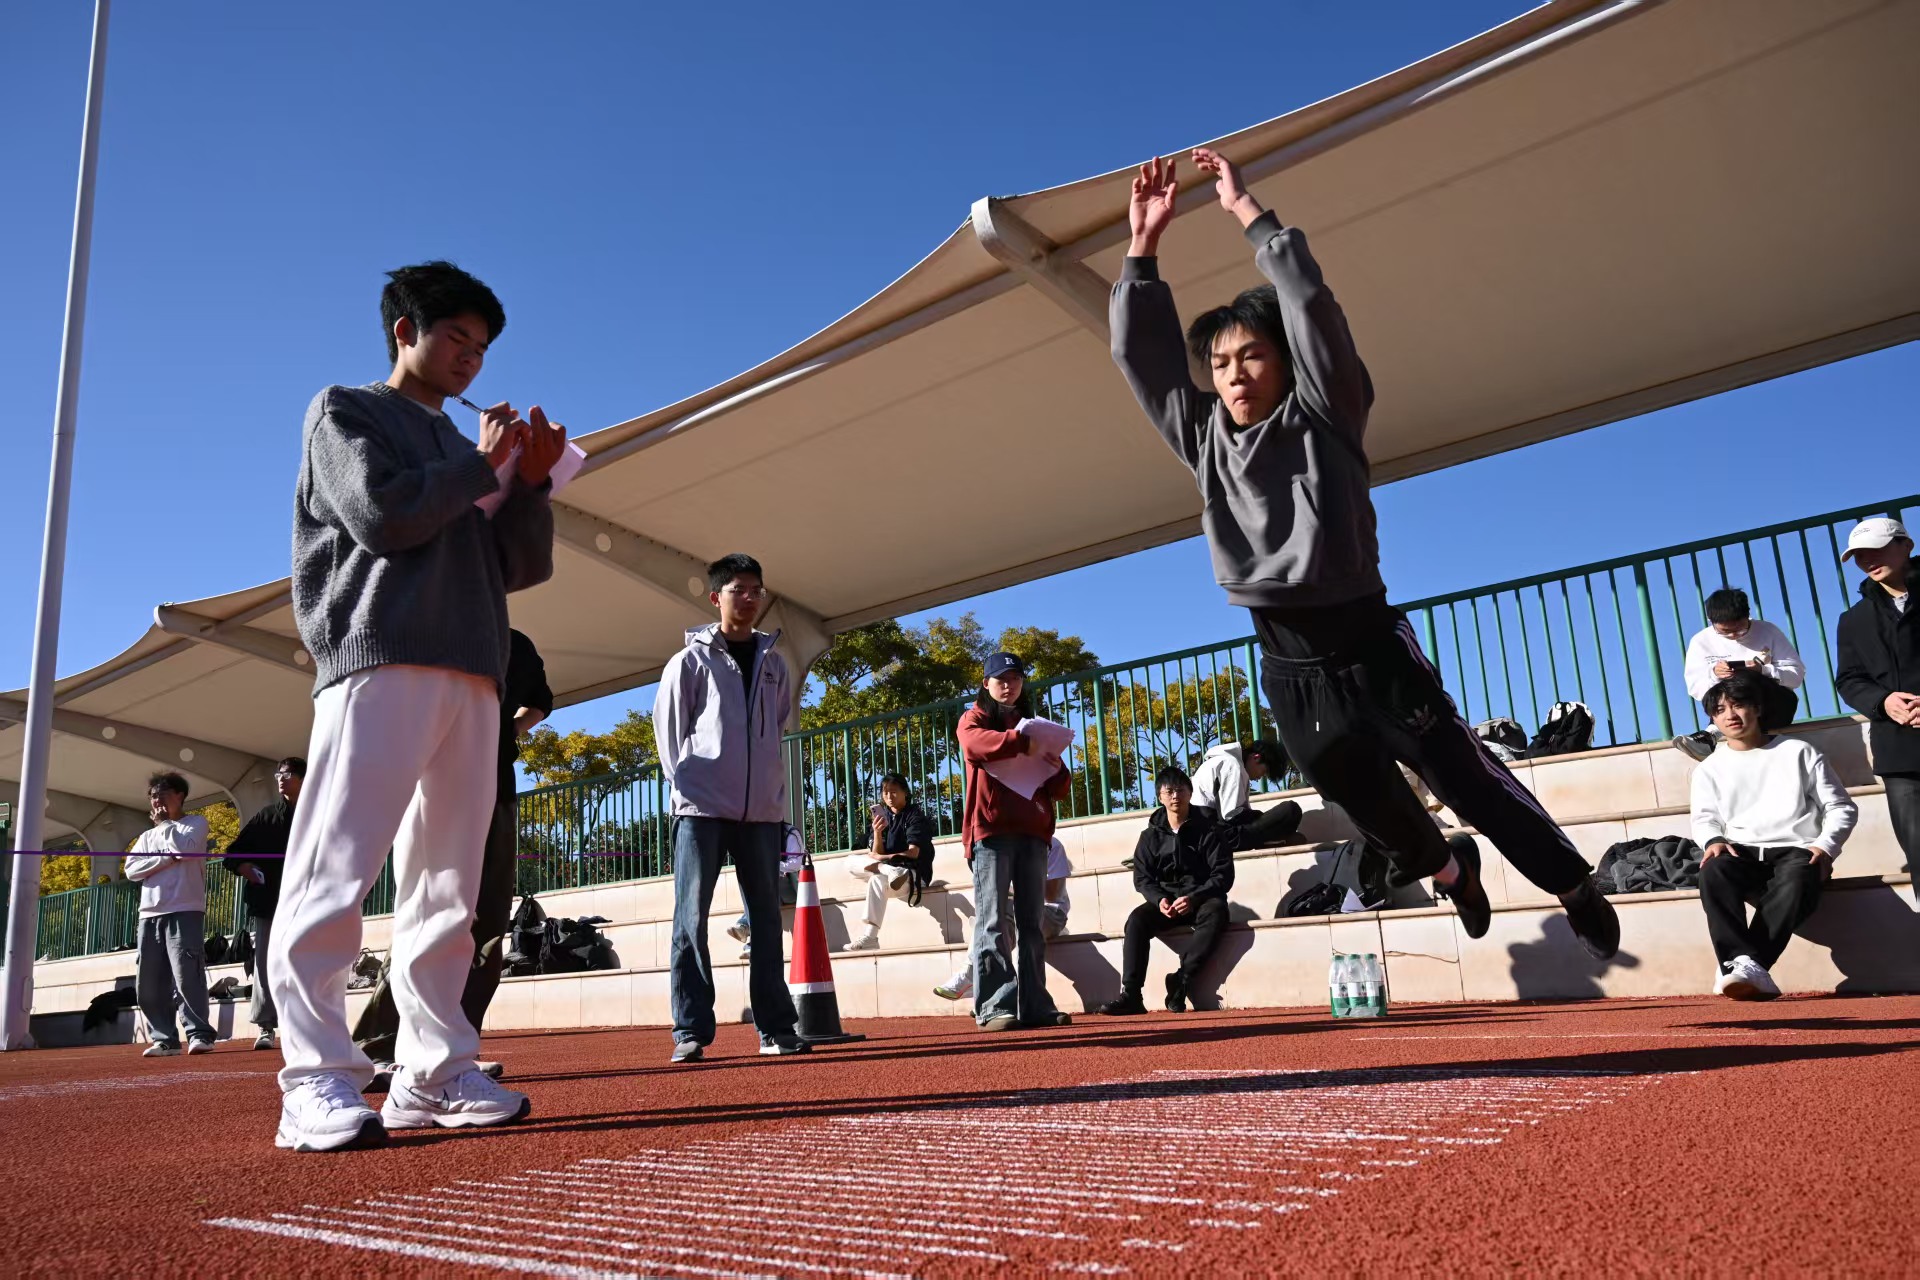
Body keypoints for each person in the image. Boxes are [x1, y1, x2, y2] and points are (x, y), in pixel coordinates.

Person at [1108, 149, 1616, 958]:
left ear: (1285, 362)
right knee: (1359, 796)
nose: (1234, 376)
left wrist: (1248, 215)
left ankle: (1572, 883)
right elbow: (1142, 359)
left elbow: (1313, 309)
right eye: (1220, 364)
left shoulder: (1325, 415)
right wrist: (1142, 248)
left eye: (1251, 356)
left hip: (1370, 642)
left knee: (1465, 778)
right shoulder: (1202, 437)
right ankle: (1449, 870)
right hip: (1289, 664)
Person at [270, 260, 559, 1153]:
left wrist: (531, 481)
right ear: (405, 332)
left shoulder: (471, 448)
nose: (471, 358)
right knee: (335, 869)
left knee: (448, 888)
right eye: (456, 338)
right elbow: (381, 515)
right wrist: (481, 464)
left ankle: (431, 1072)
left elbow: (519, 568)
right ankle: (314, 1077)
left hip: (475, 670)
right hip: (379, 655)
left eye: (482, 347)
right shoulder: (345, 410)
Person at [353, 628, 551, 1081]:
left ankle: (453, 1050)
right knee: (426, 917)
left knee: (489, 926)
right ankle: (376, 1045)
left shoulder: (515, 644)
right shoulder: (425, 632)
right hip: (433, 786)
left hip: (495, 788)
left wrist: (508, 730)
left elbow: (541, 700)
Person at [655, 553, 808, 1062]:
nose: (748, 598)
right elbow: (669, 734)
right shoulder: (689, 662)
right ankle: (690, 1029)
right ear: (715, 597)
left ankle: (776, 1027)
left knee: (765, 918)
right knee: (690, 917)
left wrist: (767, 793)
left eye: (756, 590)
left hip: (760, 813)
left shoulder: (774, 663)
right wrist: (689, 788)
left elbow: (777, 726)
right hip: (700, 810)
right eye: (738, 589)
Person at [1692, 670, 1856, 999]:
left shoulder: (1798, 751)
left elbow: (1840, 807)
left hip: (1797, 850)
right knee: (1713, 871)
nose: (1730, 715)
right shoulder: (1708, 768)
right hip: (1742, 852)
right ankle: (1743, 964)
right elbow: (1705, 818)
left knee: (1799, 876)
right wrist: (1714, 840)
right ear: (1713, 719)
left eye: (1738, 705)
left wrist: (1825, 846)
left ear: (1757, 708)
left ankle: (1740, 964)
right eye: (1720, 710)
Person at [956, 652, 1075, 1029]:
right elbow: (974, 745)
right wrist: (1020, 743)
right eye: (1001, 679)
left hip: (1034, 833)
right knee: (992, 920)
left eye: (1016, 678)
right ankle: (994, 1006)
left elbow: (1060, 786)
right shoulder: (974, 717)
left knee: (1032, 924)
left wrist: (1054, 764)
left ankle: (1035, 1004)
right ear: (986, 684)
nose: (1009, 685)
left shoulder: (1034, 726)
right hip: (991, 832)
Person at [1834, 516, 1920, 908]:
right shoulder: (1853, 620)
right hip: (1899, 752)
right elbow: (1849, 679)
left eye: (1878, 549)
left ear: (1906, 545)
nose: (1869, 560)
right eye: (1859, 555)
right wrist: (1882, 702)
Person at [1101, 766, 1234, 1015]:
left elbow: (1223, 875)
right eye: (1169, 791)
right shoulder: (1149, 836)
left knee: (1217, 912)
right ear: (1160, 797)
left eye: (1181, 790)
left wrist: (1194, 898)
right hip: (1167, 903)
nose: (1175, 796)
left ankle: (1181, 980)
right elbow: (1142, 878)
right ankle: (1131, 994)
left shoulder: (1210, 829)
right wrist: (1159, 899)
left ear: (1190, 793)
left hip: (1202, 900)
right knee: (1136, 920)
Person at [125, 773, 214, 1058]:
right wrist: (166, 859)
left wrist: (165, 826)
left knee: (187, 976)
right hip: (149, 913)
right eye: (153, 796)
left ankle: (199, 1034)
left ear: (180, 796)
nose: (157, 800)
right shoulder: (145, 836)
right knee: (149, 982)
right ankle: (165, 1039)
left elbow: (184, 850)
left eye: (163, 794)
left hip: (185, 908)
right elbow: (131, 870)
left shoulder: (195, 824)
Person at [222, 757, 304, 1050]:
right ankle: (266, 1025)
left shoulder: (320, 815)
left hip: (309, 902)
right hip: (269, 901)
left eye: (288, 773)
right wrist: (246, 867)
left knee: (308, 962)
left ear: (304, 778)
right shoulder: (266, 816)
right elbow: (232, 854)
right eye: (278, 773)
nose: (281, 778)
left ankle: (305, 1026)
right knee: (266, 961)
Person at [1672, 587, 1806, 761]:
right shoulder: (1701, 641)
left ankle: (1711, 734)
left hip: (1774, 707)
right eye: (1725, 632)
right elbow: (1695, 688)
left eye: (1741, 630)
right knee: (1727, 686)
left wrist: (1763, 671)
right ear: (1711, 621)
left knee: (1745, 678)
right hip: (1729, 712)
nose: (1734, 636)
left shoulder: (1768, 631)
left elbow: (1796, 675)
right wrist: (1715, 674)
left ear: (1748, 615)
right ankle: (1713, 734)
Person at [934, 835, 1071, 1001]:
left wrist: (1021, 876)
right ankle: (983, 987)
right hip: (1015, 913)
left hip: (1052, 913)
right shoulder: (1004, 846)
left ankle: (974, 978)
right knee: (994, 917)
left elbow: (1051, 895)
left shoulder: (1051, 844)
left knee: (1001, 917)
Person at [841, 773, 936, 952]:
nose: (889, 797)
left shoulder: (914, 816)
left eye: (894, 792)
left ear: (905, 792)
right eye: (885, 793)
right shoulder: (884, 817)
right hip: (892, 874)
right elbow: (876, 853)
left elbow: (913, 853)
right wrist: (877, 832)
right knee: (849, 862)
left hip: (913, 875)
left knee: (876, 879)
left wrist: (883, 859)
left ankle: (870, 936)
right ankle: (887, 871)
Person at [1190, 739, 1302, 851]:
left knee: (1290, 827)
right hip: (1219, 836)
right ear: (1256, 757)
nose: (1260, 778)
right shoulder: (1232, 765)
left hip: (1212, 832)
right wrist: (1260, 816)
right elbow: (1231, 816)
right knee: (1291, 810)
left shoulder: (1224, 762)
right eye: (1263, 772)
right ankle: (1270, 840)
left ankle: (1270, 840)